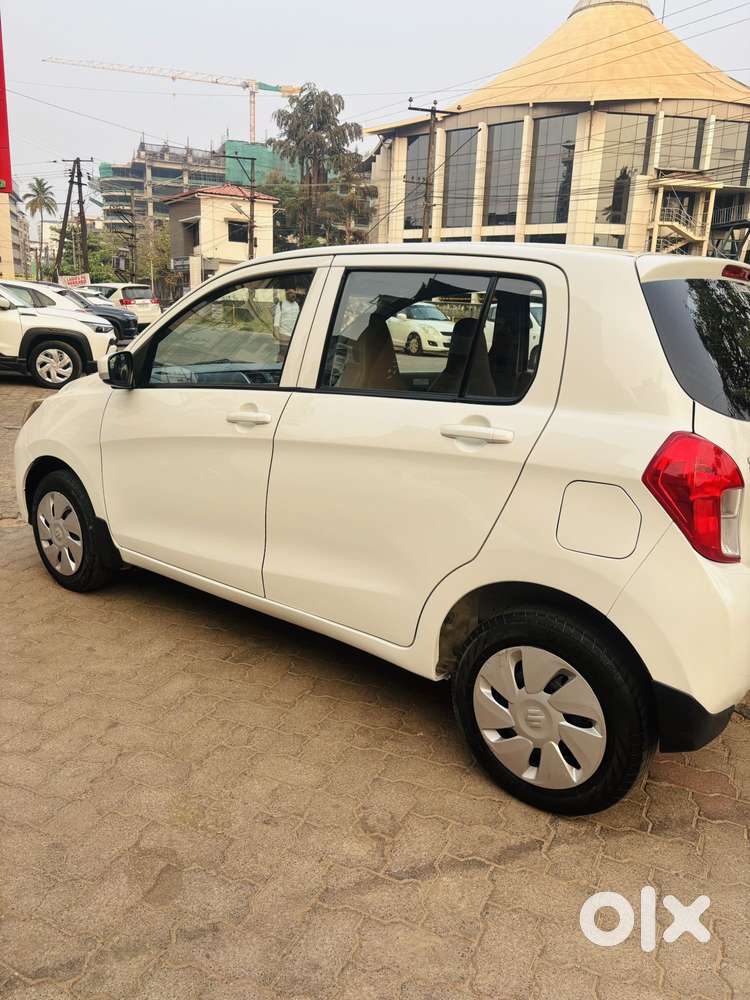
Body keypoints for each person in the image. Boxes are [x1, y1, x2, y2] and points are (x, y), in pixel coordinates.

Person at [272, 288, 300, 362]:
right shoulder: (281, 304)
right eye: (290, 293)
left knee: (293, 356)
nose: (293, 295)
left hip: (295, 336)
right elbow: (276, 322)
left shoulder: (297, 305)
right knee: (283, 356)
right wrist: (277, 336)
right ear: (286, 294)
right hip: (284, 335)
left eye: (294, 293)